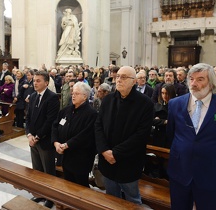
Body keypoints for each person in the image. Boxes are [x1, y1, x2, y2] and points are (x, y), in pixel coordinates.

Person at [166, 63, 216, 210]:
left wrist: (215, 154)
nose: (194, 83)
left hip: (212, 175)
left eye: (200, 79)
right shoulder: (175, 104)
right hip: (180, 173)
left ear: (211, 83)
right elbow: (171, 133)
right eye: (191, 79)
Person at [95, 66, 154, 205]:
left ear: (134, 81)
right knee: (111, 198)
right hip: (107, 161)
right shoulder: (108, 99)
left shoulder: (145, 103)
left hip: (128, 161)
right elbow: (98, 126)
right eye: (118, 76)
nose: (119, 80)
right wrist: (104, 150)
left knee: (132, 200)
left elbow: (141, 135)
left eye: (124, 77)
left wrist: (115, 153)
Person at [52, 82, 98, 187]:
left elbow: (86, 135)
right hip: (65, 156)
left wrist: (67, 145)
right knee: (68, 184)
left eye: (76, 93)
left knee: (80, 187)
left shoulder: (91, 114)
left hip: (81, 159)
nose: (73, 95)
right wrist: (56, 142)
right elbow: (55, 126)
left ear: (85, 96)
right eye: (73, 93)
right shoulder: (66, 111)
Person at [26, 71, 59, 208]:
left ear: (46, 82)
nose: (35, 83)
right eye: (34, 80)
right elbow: (28, 118)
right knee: (37, 170)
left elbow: (50, 121)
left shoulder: (52, 98)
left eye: (38, 81)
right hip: (33, 140)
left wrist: (37, 137)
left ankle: (50, 198)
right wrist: (29, 135)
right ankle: (39, 193)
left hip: (44, 141)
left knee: (48, 172)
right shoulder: (33, 96)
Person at [152, 83, 176, 148]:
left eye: (167, 93)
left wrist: (159, 121)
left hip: (170, 137)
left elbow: (174, 122)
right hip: (158, 136)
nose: (164, 96)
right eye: (162, 93)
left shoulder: (176, 106)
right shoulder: (158, 105)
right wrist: (164, 121)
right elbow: (151, 121)